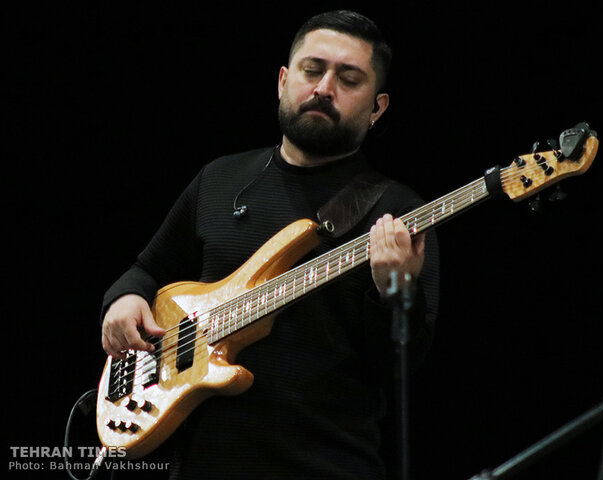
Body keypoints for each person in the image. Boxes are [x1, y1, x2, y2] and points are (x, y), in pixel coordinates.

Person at [101, 10, 440, 480]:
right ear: (283, 80)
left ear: (378, 107)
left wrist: (391, 293)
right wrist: (124, 299)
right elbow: (146, 268)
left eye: (349, 78)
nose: (324, 88)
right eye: (312, 69)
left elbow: (401, 370)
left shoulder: (396, 213)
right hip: (198, 462)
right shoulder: (220, 179)